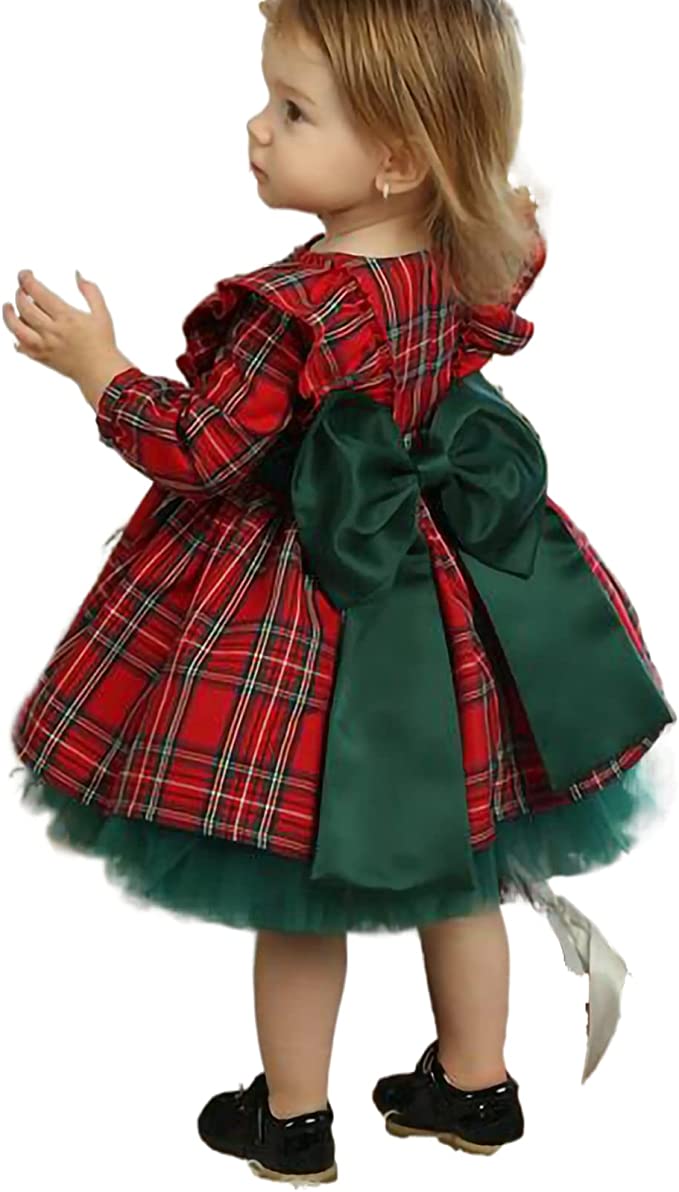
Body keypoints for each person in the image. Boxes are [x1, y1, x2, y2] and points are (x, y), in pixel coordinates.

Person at [7, 0, 676, 1185]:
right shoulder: (466, 251)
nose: (256, 128)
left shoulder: (292, 308)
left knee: (303, 877)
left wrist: (98, 371)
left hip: (306, 603)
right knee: (463, 855)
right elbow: (505, 276)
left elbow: (205, 448)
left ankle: (294, 1117)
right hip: (446, 586)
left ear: (399, 159)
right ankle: (476, 1086)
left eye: (294, 110)